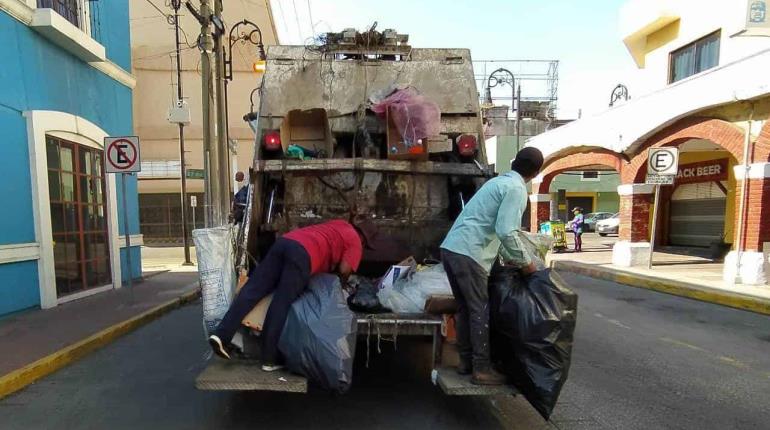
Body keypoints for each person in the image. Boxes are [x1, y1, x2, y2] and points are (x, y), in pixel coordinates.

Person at [208, 219, 375, 371]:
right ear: (364, 240)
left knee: (252, 291)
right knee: (282, 301)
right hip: (302, 256)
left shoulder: (339, 224)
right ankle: (269, 359)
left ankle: (221, 335)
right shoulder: (355, 241)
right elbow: (344, 270)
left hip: (285, 243)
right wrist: (341, 283)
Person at [440, 147, 544, 386]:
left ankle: (466, 363)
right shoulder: (516, 189)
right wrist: (527, 264)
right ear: (536, 173)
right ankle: (482, 369)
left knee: (466, 308)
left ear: (514, 162)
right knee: (479, 310)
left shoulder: (497, 183)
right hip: (470, 253)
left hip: (452, 249)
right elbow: (507, 231)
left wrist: (512, 257)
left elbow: (497, 229)